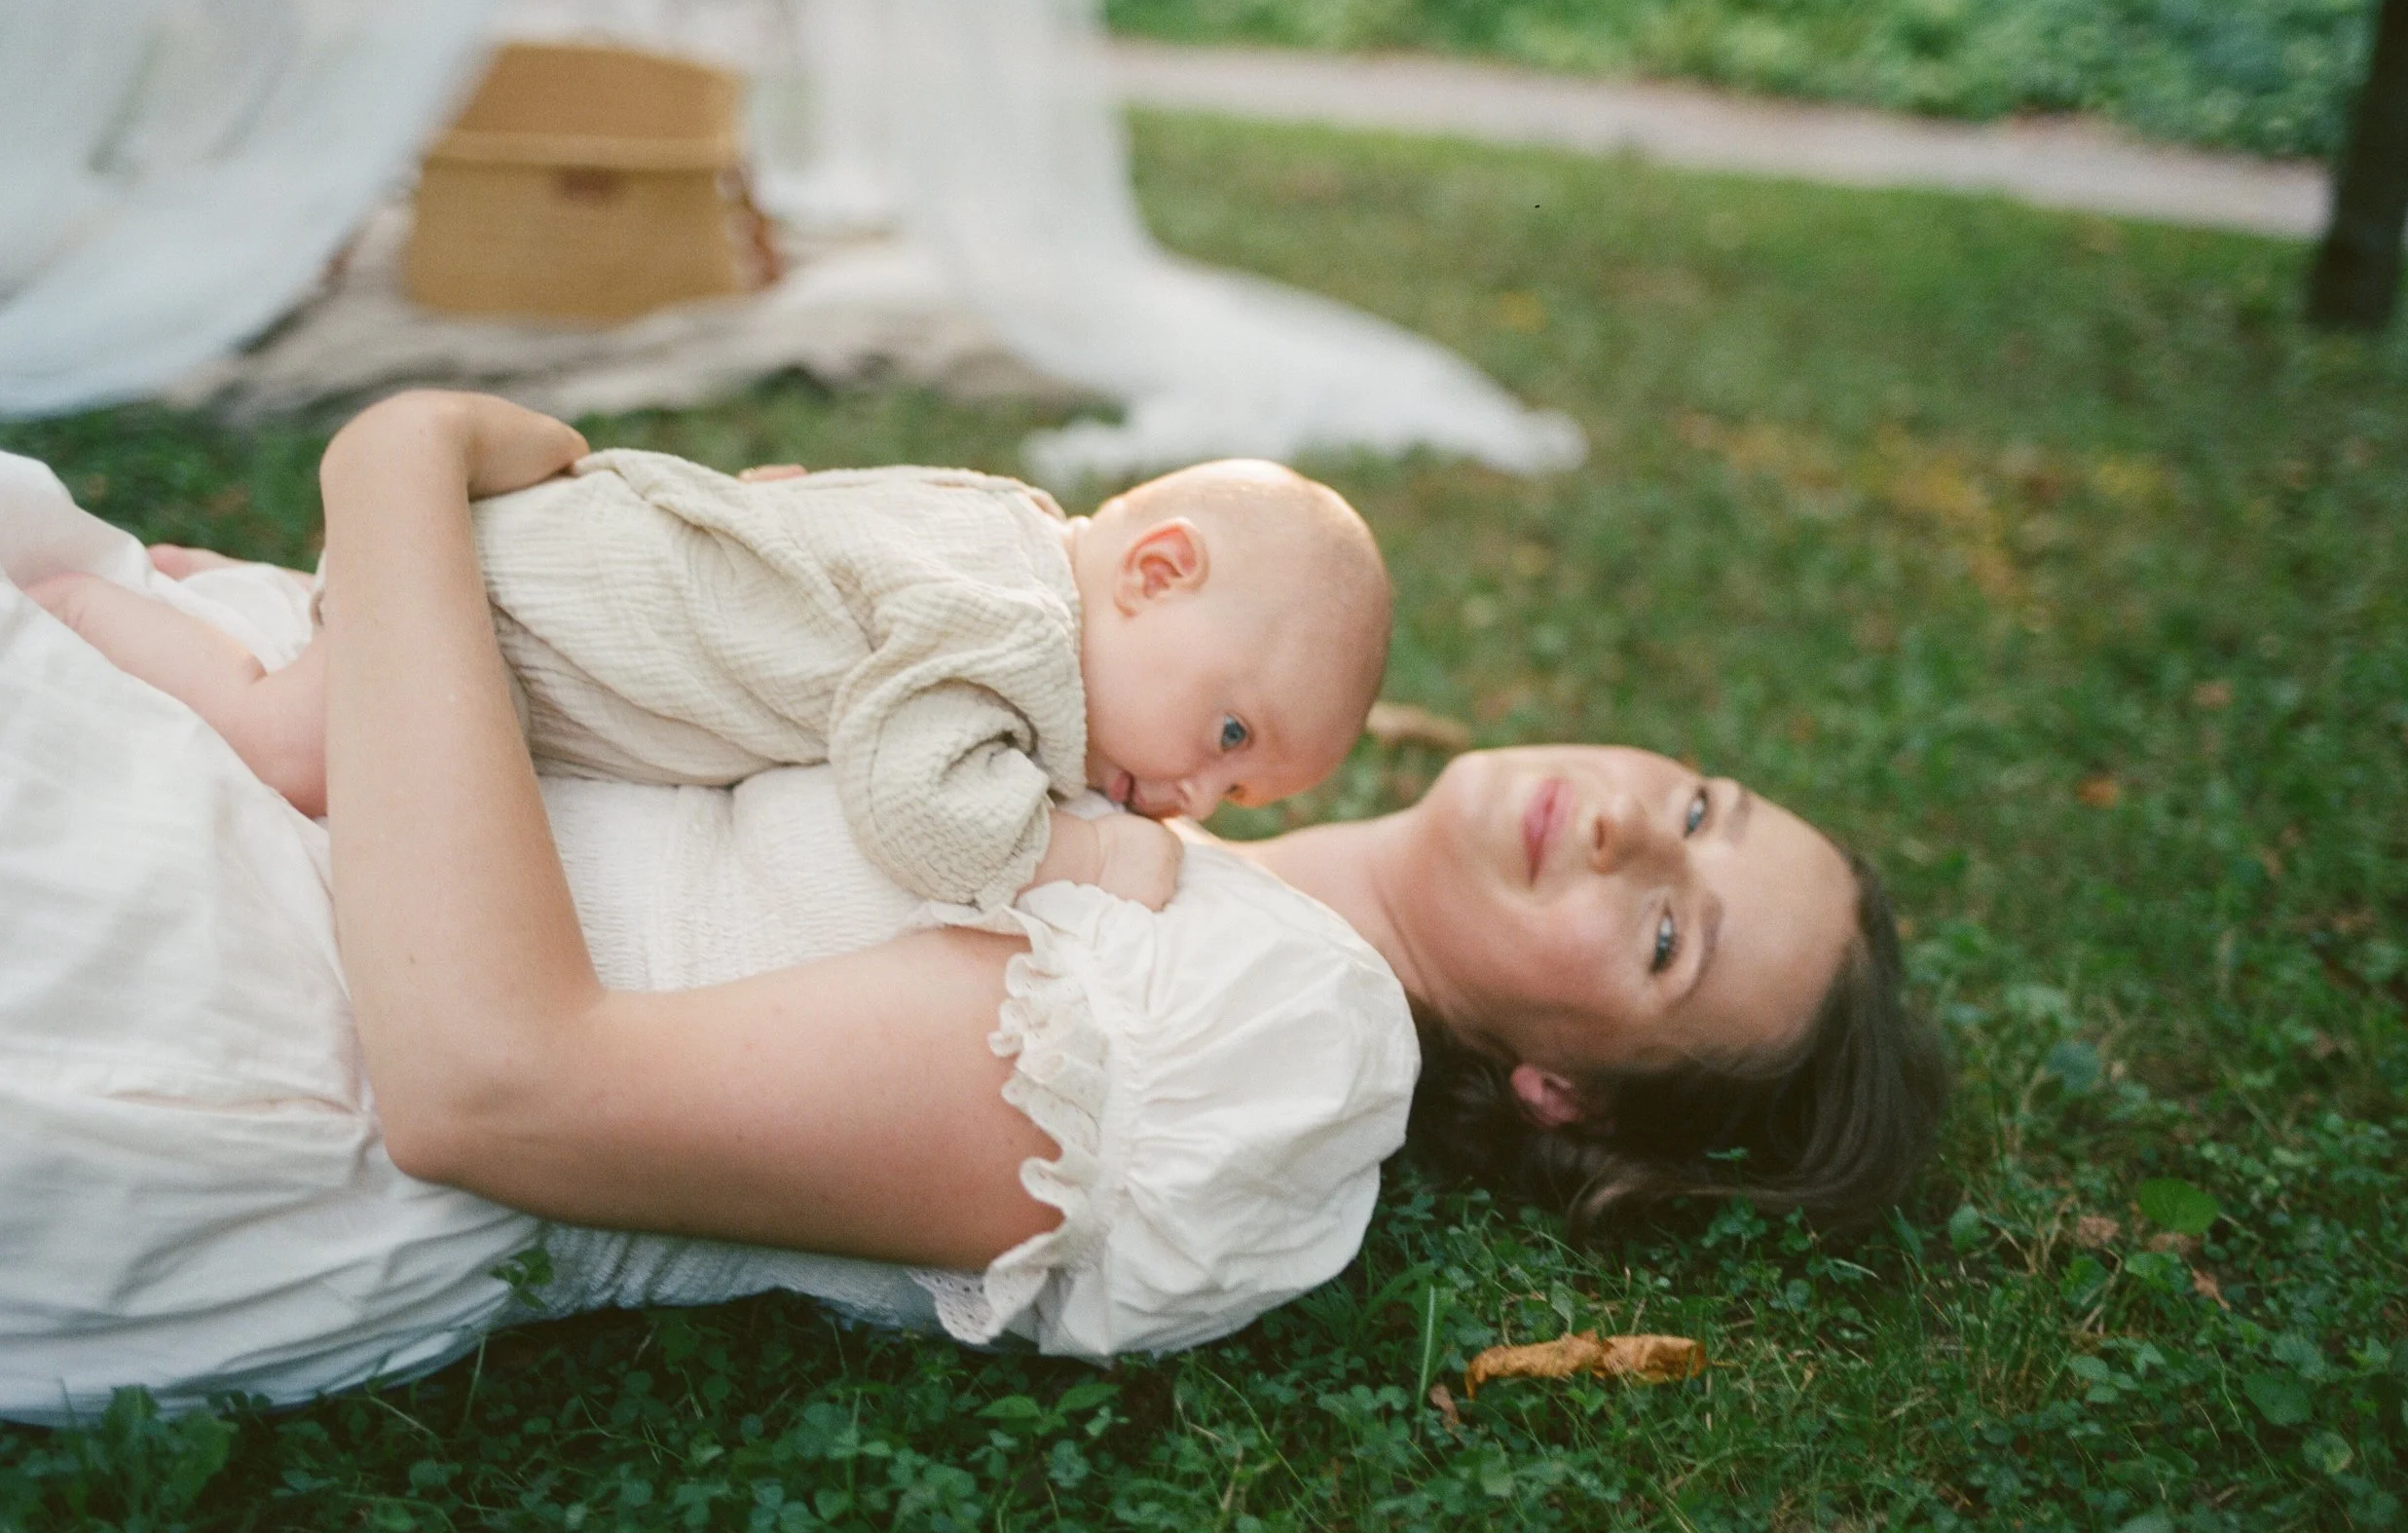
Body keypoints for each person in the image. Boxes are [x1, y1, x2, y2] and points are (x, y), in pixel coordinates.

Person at [0, 394, 1943, 1425]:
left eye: (1669, 931)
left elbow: (489, 1083)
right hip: (283, 749)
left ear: (1565, 1097)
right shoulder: (1117, 752)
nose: (1629, 832)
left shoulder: (1259, 1053)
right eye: (1698, 803)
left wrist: (396, 476)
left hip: (232, 989)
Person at [28, 425, 1392, 916]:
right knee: (303, 748)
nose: (1193, 796)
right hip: (505, 617)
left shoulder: (1007, 522)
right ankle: (75, 601)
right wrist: (1078, 860)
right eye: (1227, 730)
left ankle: (256, 593)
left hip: (538, 551)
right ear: (1154, 575)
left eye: (1235, 789)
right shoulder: (1016, 642)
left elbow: (807, 498)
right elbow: (913, 802)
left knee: (344, 636)